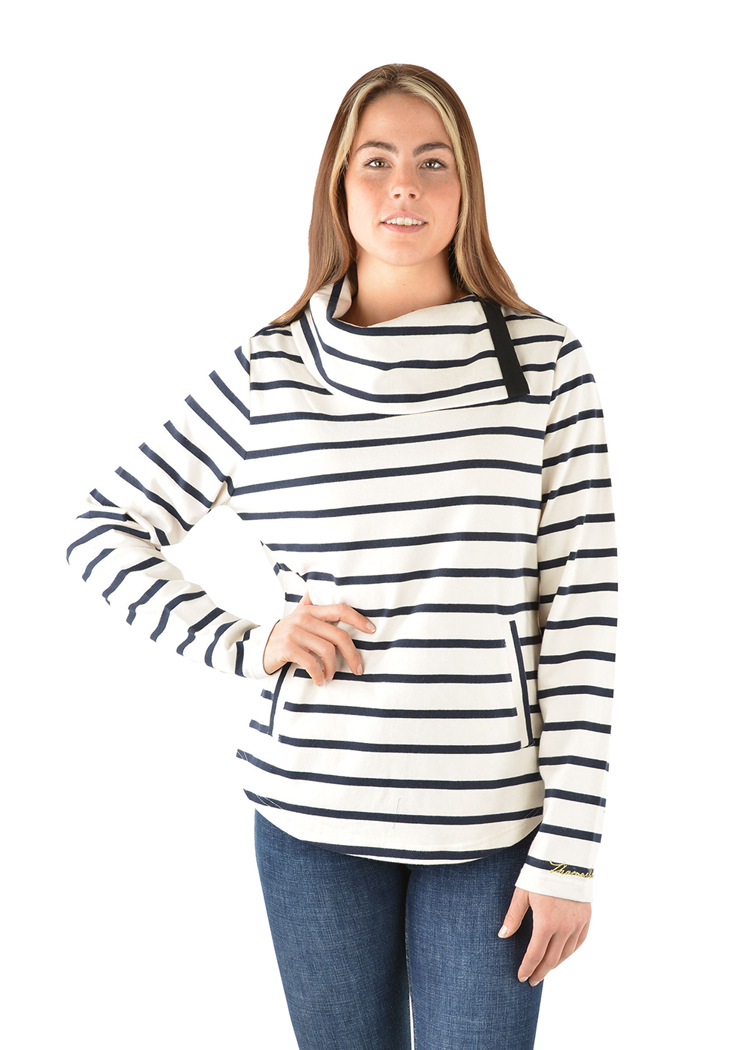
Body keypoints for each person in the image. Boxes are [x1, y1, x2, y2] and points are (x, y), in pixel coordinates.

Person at [67, 63, 617, 1050]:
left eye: (433, 162)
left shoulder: (544, 365)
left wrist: (570, 851)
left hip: (492, 828)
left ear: (466, 186)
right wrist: (249, 640)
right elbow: (104, 527)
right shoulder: (267, 368)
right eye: (377, 161)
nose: (404, 185)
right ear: (339, 184)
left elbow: (581, 614)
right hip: (310, 818)